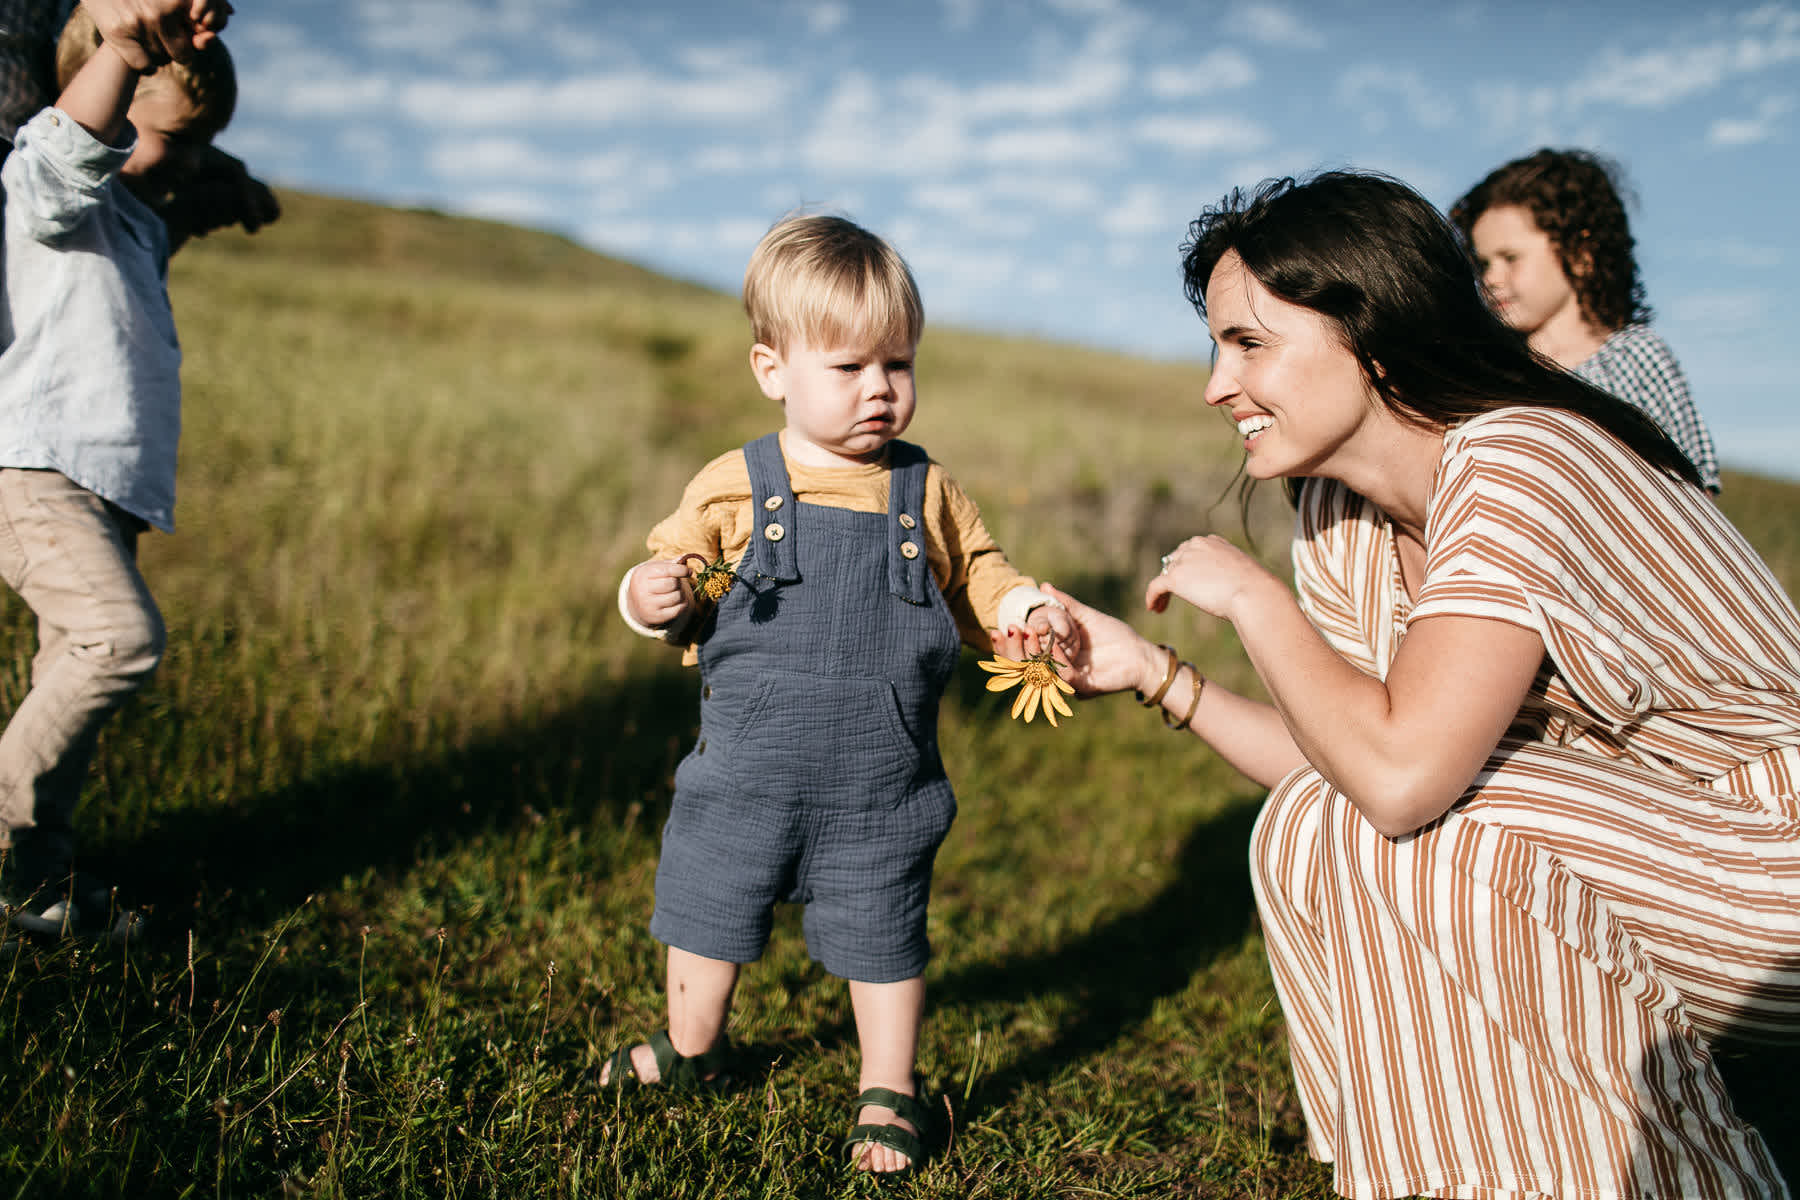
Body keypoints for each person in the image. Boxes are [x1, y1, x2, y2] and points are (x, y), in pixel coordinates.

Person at [1008, 172, 1798, 1198]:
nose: (1214, 385)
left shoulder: (1523, 456)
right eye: (1216, 346)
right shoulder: (1339, 515)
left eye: (1249, 343)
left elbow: (1400, 775)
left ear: (1372, 331)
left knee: (1429, 836)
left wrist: (1255, 601)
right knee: (1304, 825)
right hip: (1641, 856)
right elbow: (1337, 761)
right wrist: (1155, 673)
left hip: (1767, 850)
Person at [609, 213, 1074, 1175]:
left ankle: (888, 1088)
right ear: (772, 369)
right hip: (744, 774)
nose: (880, 390)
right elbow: (673, 568)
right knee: (705, 913)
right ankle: (694, 1047)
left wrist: (1020, 606)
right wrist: (647, 599)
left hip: (883, 781)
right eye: (850, 367)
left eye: (898, 365)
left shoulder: (926, 492)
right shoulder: (736, 485)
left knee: (886, 936)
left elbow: (979, 572)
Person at [0, 0, 248, 939]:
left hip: (104, 489)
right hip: (33, 469)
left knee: (68, 661)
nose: (181, 160)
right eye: (168, 139)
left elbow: (169, 162)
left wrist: (216, 167)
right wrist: (123, 45)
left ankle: (38, 879)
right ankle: (3, 845)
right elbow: (69, 153)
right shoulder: (53, 187)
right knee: (119, 639)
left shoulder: (138, 222)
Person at [1451, 147, 1721, 493]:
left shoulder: (1636, 357)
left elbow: (1694, 496)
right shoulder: (1495, 378)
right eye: (1485, 263)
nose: (1491, 279)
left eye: (1510, 257)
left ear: (1581, 255)